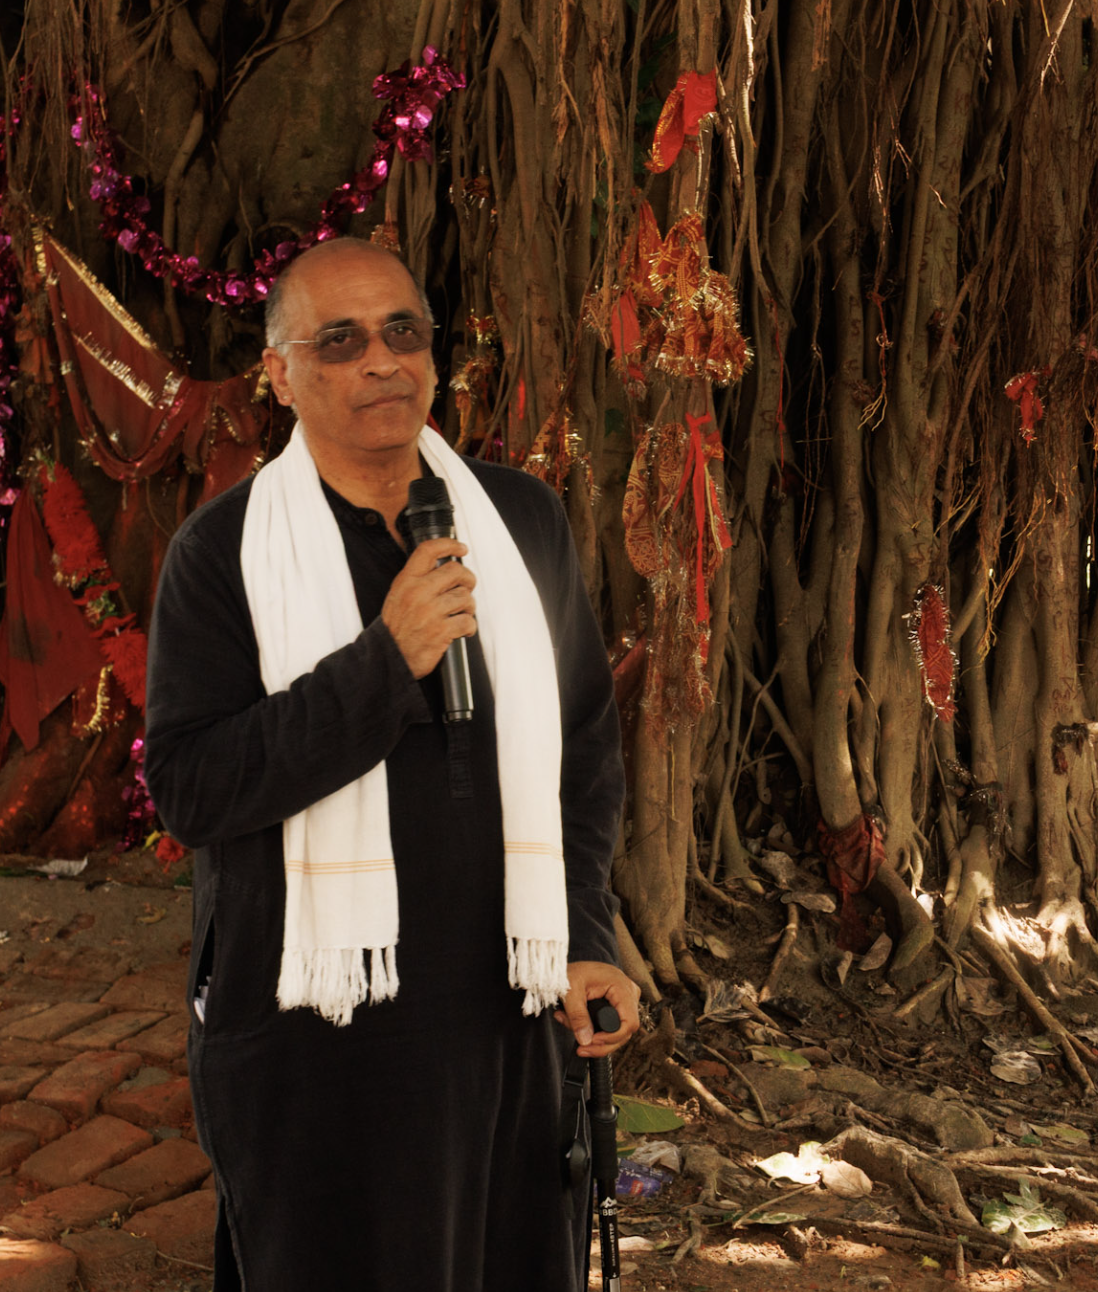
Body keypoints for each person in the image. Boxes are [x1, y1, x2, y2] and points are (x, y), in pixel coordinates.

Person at [143, 236, 638, 1291]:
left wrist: (585, 935)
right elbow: (190, 787)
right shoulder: (222, 553)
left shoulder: (519, 522)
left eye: (401, 331)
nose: (381, 361)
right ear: (280, 374)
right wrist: (382, 664)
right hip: (318, 1030)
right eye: (340, 340)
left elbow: (582, 749)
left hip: (502, 1014)